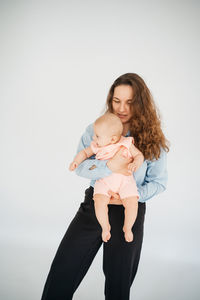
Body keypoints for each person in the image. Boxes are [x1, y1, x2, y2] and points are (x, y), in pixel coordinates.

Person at [41, 73, 169, 300]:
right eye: (116, 100)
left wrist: (131, 196)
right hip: (96, 203)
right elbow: (81, 167)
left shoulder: (152, 139)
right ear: (110, 100)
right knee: (63, 270)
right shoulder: (95, 129)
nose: (122, 108)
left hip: (129, 210)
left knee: (118, 284)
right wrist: (109, 166)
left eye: (130, 102)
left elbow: (159, 183)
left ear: (140, 103)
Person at [69, 112, 144, 243]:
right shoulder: (97, 146)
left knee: (132, 203)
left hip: (125, 180)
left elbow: (139, 155)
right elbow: (85, 153)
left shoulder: (126, 143)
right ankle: (105, 227)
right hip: (104, 181)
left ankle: (128, 227)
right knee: (99, 201)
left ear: (113, 139)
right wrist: (76, 161)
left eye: (97, 136)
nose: (94, 138)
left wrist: (135, 163)